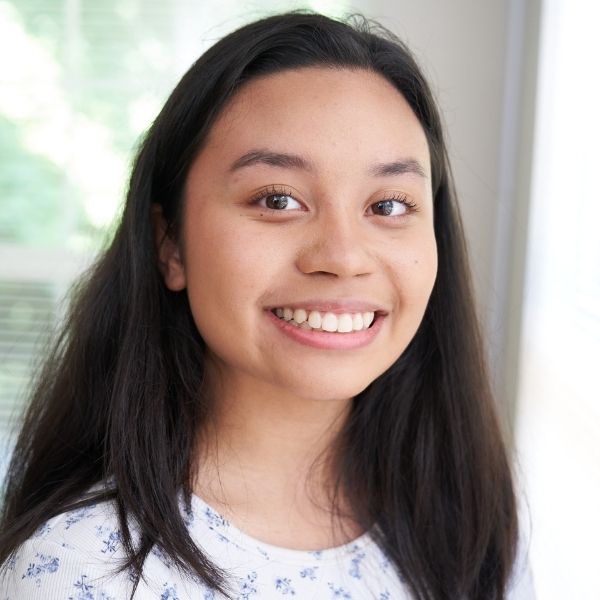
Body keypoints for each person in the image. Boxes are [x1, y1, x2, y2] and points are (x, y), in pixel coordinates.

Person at [0, 11, 534, 600]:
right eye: (277, 199)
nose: (343, 256)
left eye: (388, 205)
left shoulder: (468, 520)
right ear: (169, 243)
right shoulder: (83, 570)